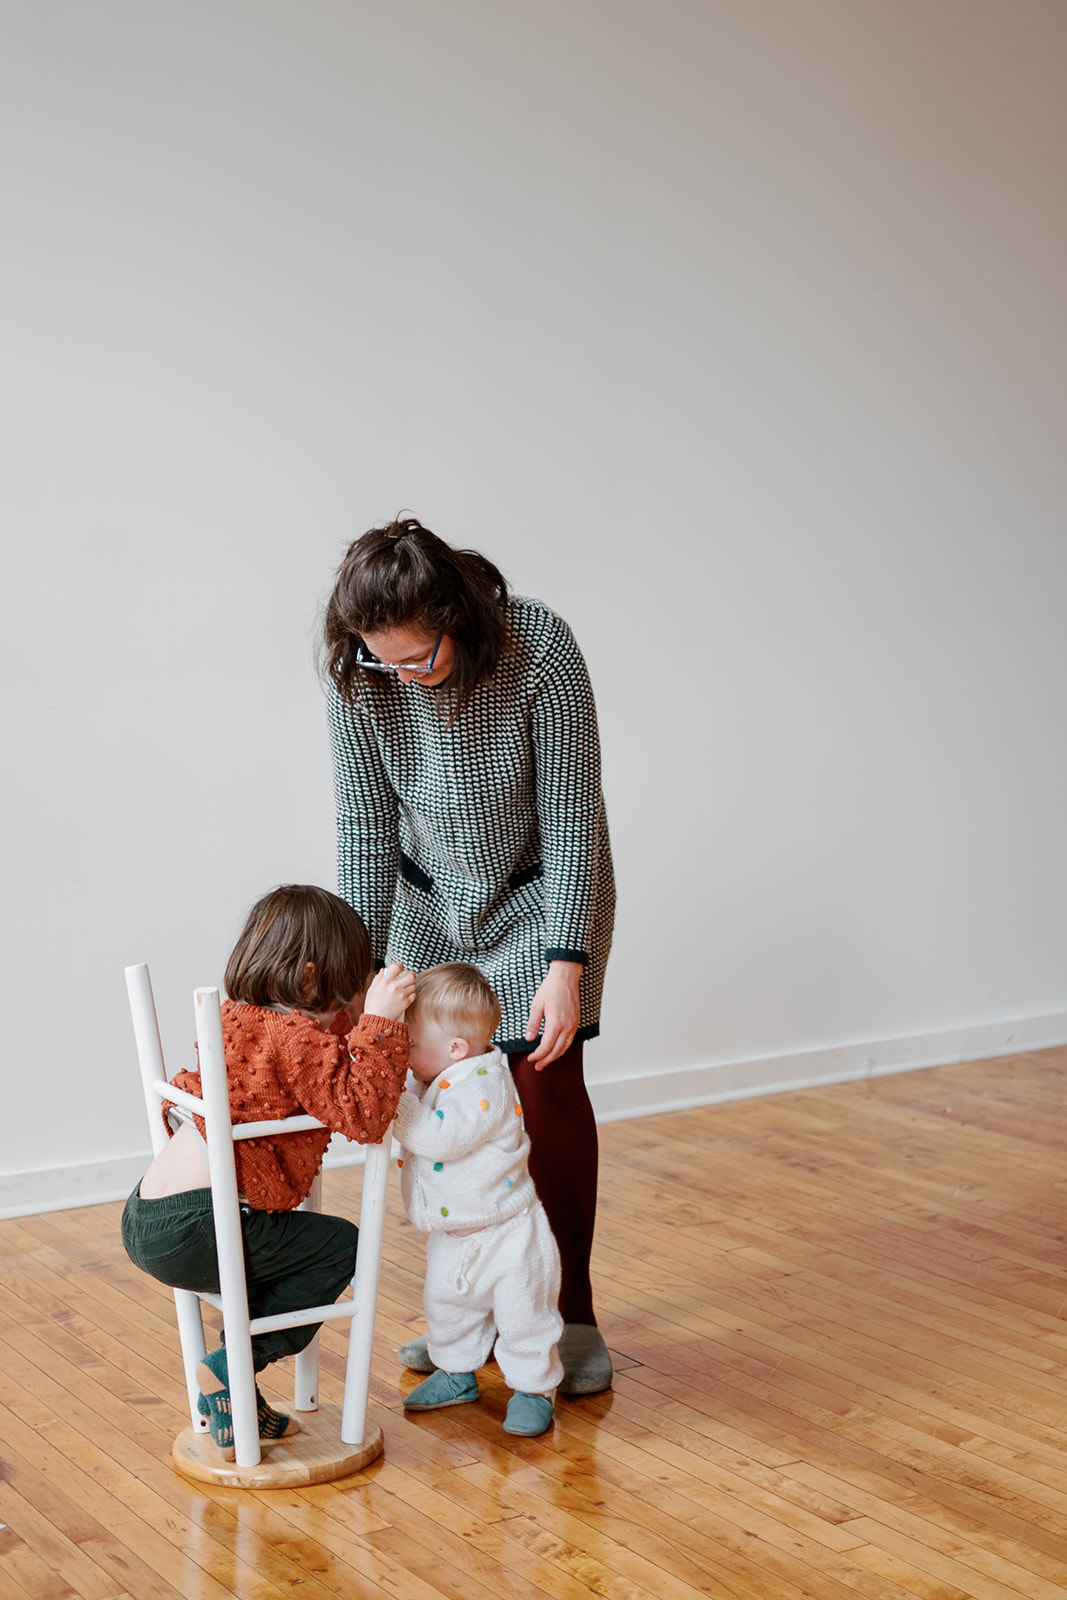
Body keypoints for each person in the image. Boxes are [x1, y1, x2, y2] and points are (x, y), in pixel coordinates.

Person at [324, 515, 616, 1394]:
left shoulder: (540, 647)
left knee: (538, 1082)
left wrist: (564, 963)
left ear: (458, 614)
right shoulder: (361, 678)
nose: (402, 676)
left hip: (542, 896)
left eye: (420, 658)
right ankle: (474, 1319)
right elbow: (366, 828)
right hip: (427, 900)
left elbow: (573, 819)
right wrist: (362, 976)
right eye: (386, 660)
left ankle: (567, 1312)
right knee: (430, 1099)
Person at [121, 884, 414, 1456]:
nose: (349, 1011)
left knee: (288, 1256)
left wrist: (353, 1022)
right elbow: (365, 1113)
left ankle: (237, 1403)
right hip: (198, 1222)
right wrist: (379, 1023)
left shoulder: (239, 1019)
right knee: (341, 1249)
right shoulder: (294, 1037)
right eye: (347, 991)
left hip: (148, 1212)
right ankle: (236, 1362)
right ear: (310, 982)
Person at [395, 963, 563, 1437]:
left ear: (454, 1049)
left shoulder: (484, 1086)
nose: (404, 1055)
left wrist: (393, 1099)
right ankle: (456, 1372)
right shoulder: (435, 1077)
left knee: (524, 1315)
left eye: (410, 1044)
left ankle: (534, 1387)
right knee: (447, 1307)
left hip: (508, 1235)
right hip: (456, 1233)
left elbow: (439, 1138)